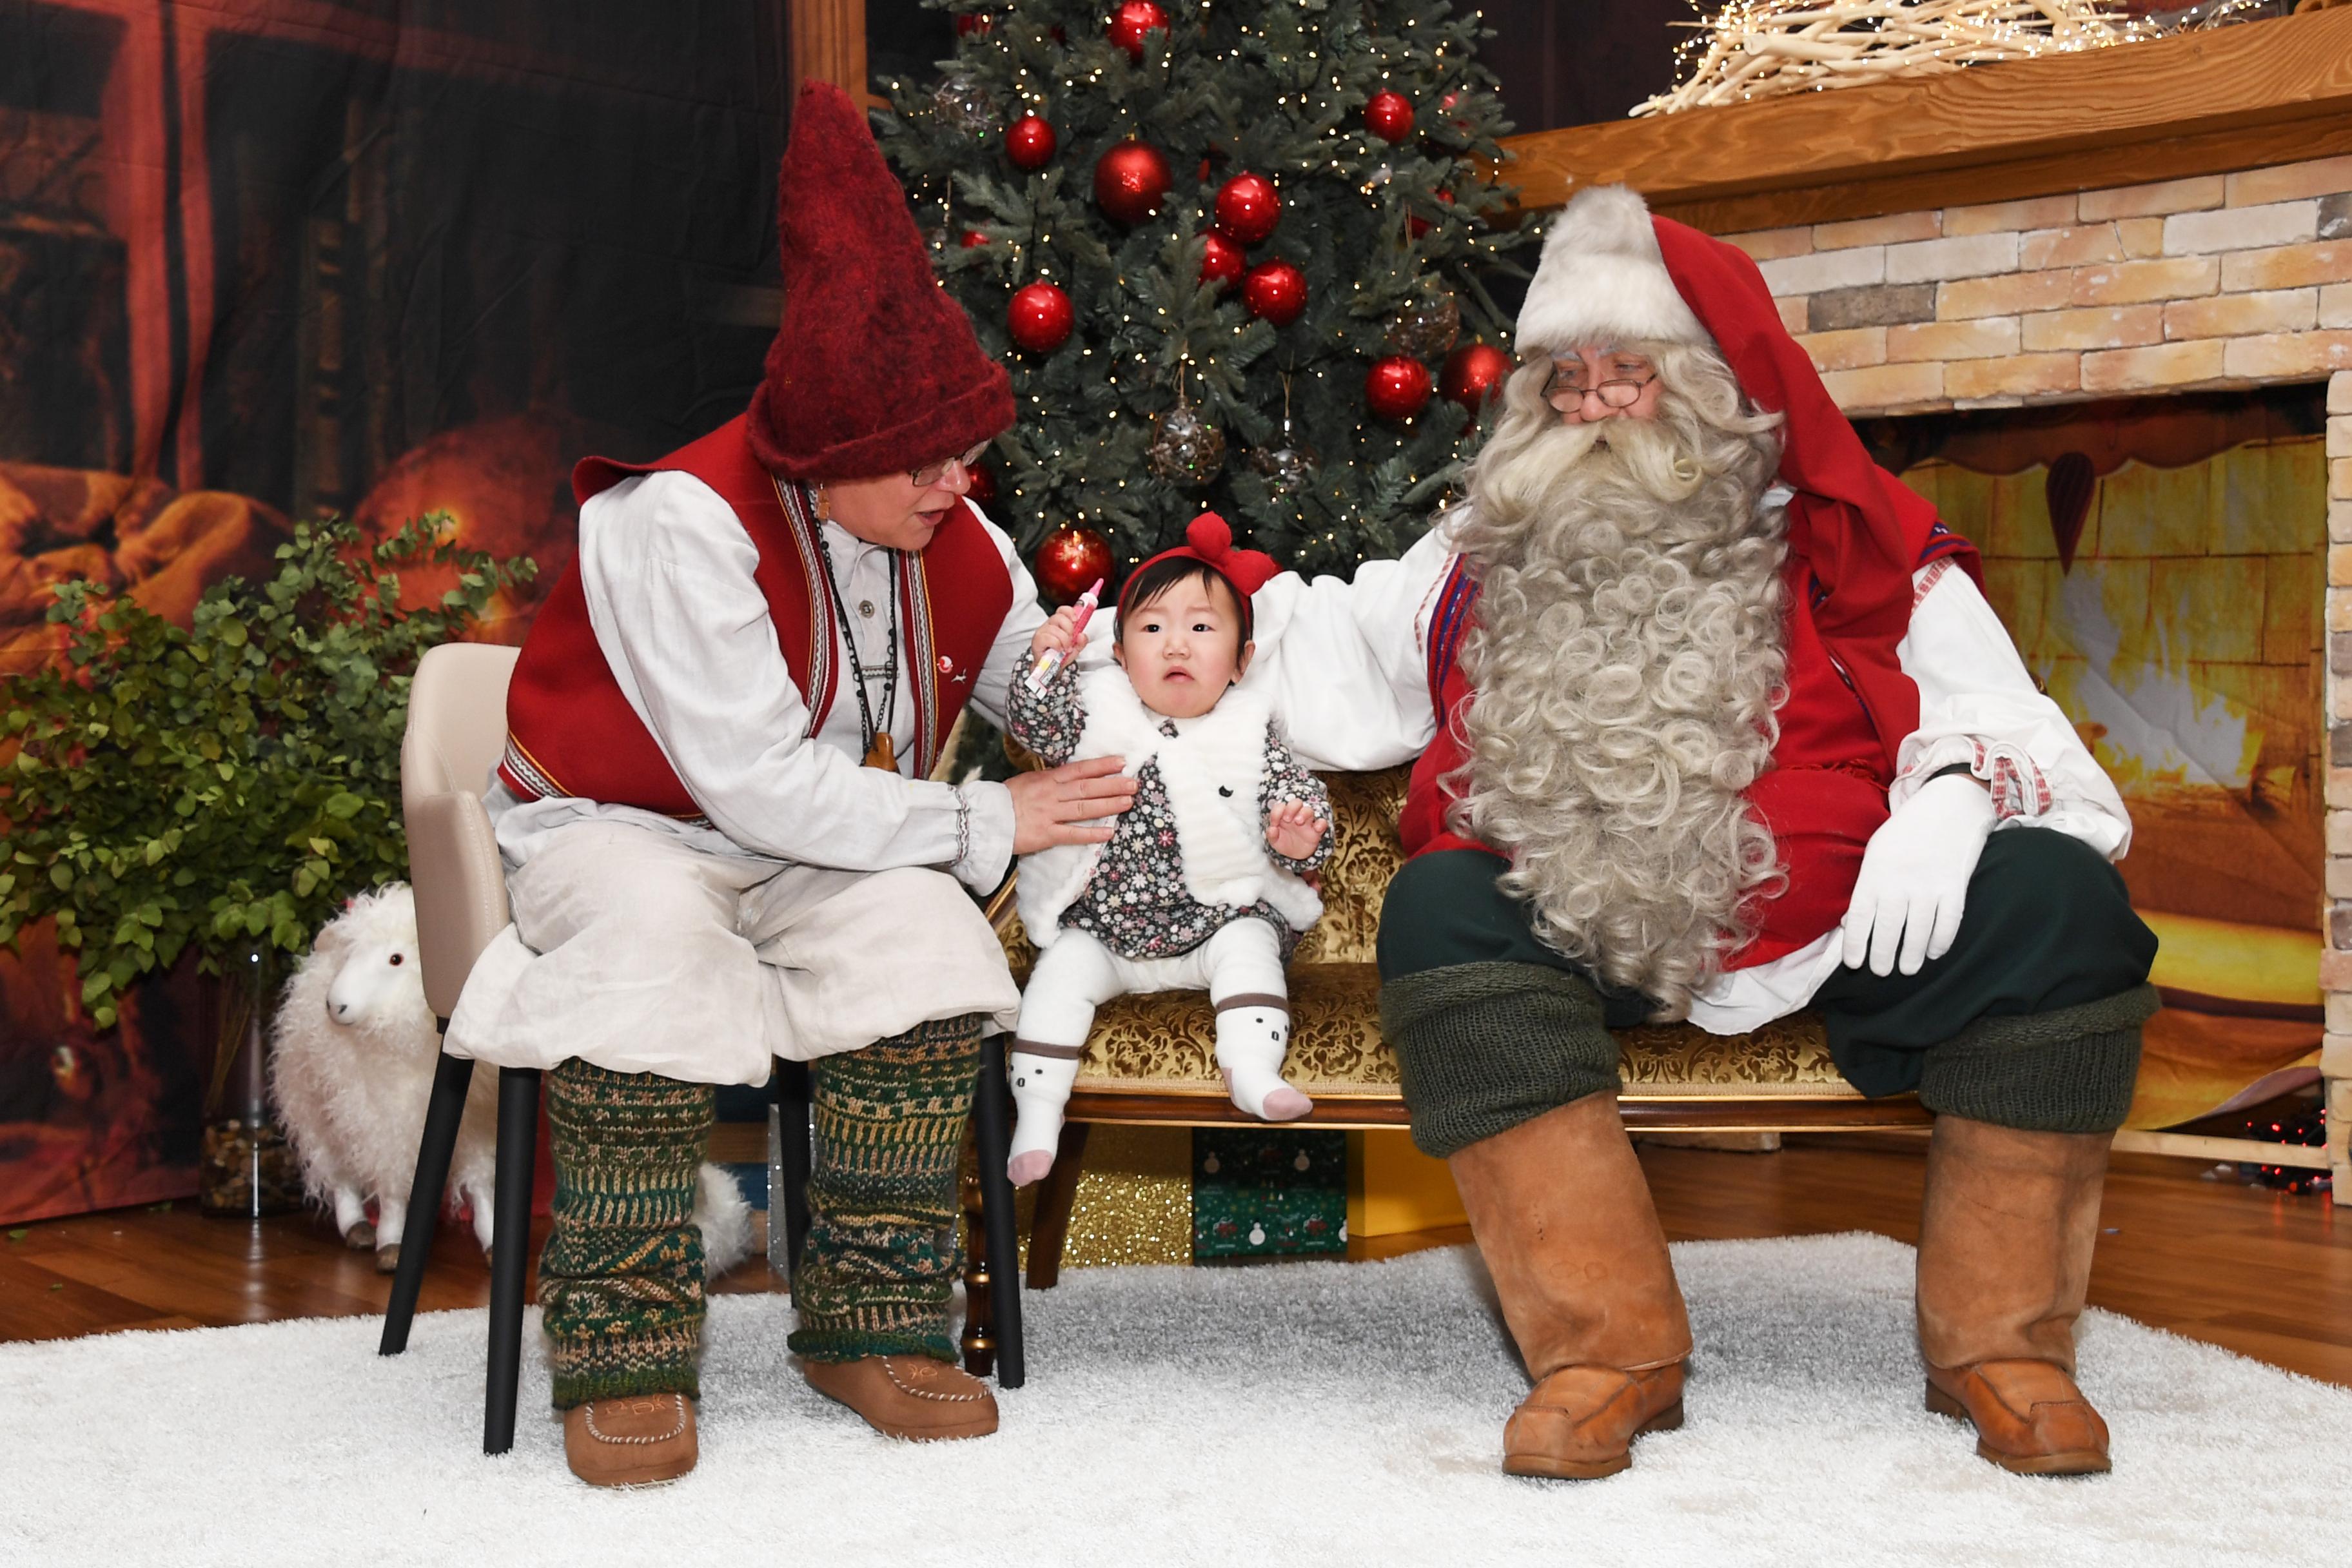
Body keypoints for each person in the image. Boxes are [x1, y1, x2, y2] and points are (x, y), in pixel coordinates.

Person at [1240, 185, 2156, 1481]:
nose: (1594, 404)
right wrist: (1158, 617)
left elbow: (2040, 750)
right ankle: (1605, 1352)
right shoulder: (1472, 558)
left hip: (1842, 924)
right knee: (1442, 907)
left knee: (2060, 904)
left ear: (1716, 387)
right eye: (1569, 378)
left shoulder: (1853, 543)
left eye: (1633, 374)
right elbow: (1310, 659)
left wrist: (1952, 799)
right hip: (1578, 915)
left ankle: (2004, 1348)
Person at [442, 83, 1137, 1487]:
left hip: (817, 838)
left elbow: (1024, 679)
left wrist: (1145, 673)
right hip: (623, 826)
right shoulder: (678, 525)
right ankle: (623, 1349)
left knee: (931, 944)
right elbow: (758, 782)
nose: (960, 481)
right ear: (825, 456)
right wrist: (981, 816)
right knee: (650, 950)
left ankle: (871, 1322)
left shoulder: (950, 524)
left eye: (967, 451)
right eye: (925, 460)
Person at [1003, 514, 1333, 1184]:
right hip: (1104, 928)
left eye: (1202, 628)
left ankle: (1253, 1069)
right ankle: (1038, 1111)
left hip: (1216, 919)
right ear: (1120, 653)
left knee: (1252, 946)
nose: (1176, 644)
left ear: (1242, 661)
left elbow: (1299, 801)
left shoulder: (1253, 731)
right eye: (1152, 628)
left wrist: (1299, 835)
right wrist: (1048, 658)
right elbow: (1034, 719)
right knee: (1059, 975)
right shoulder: (1094, 709)